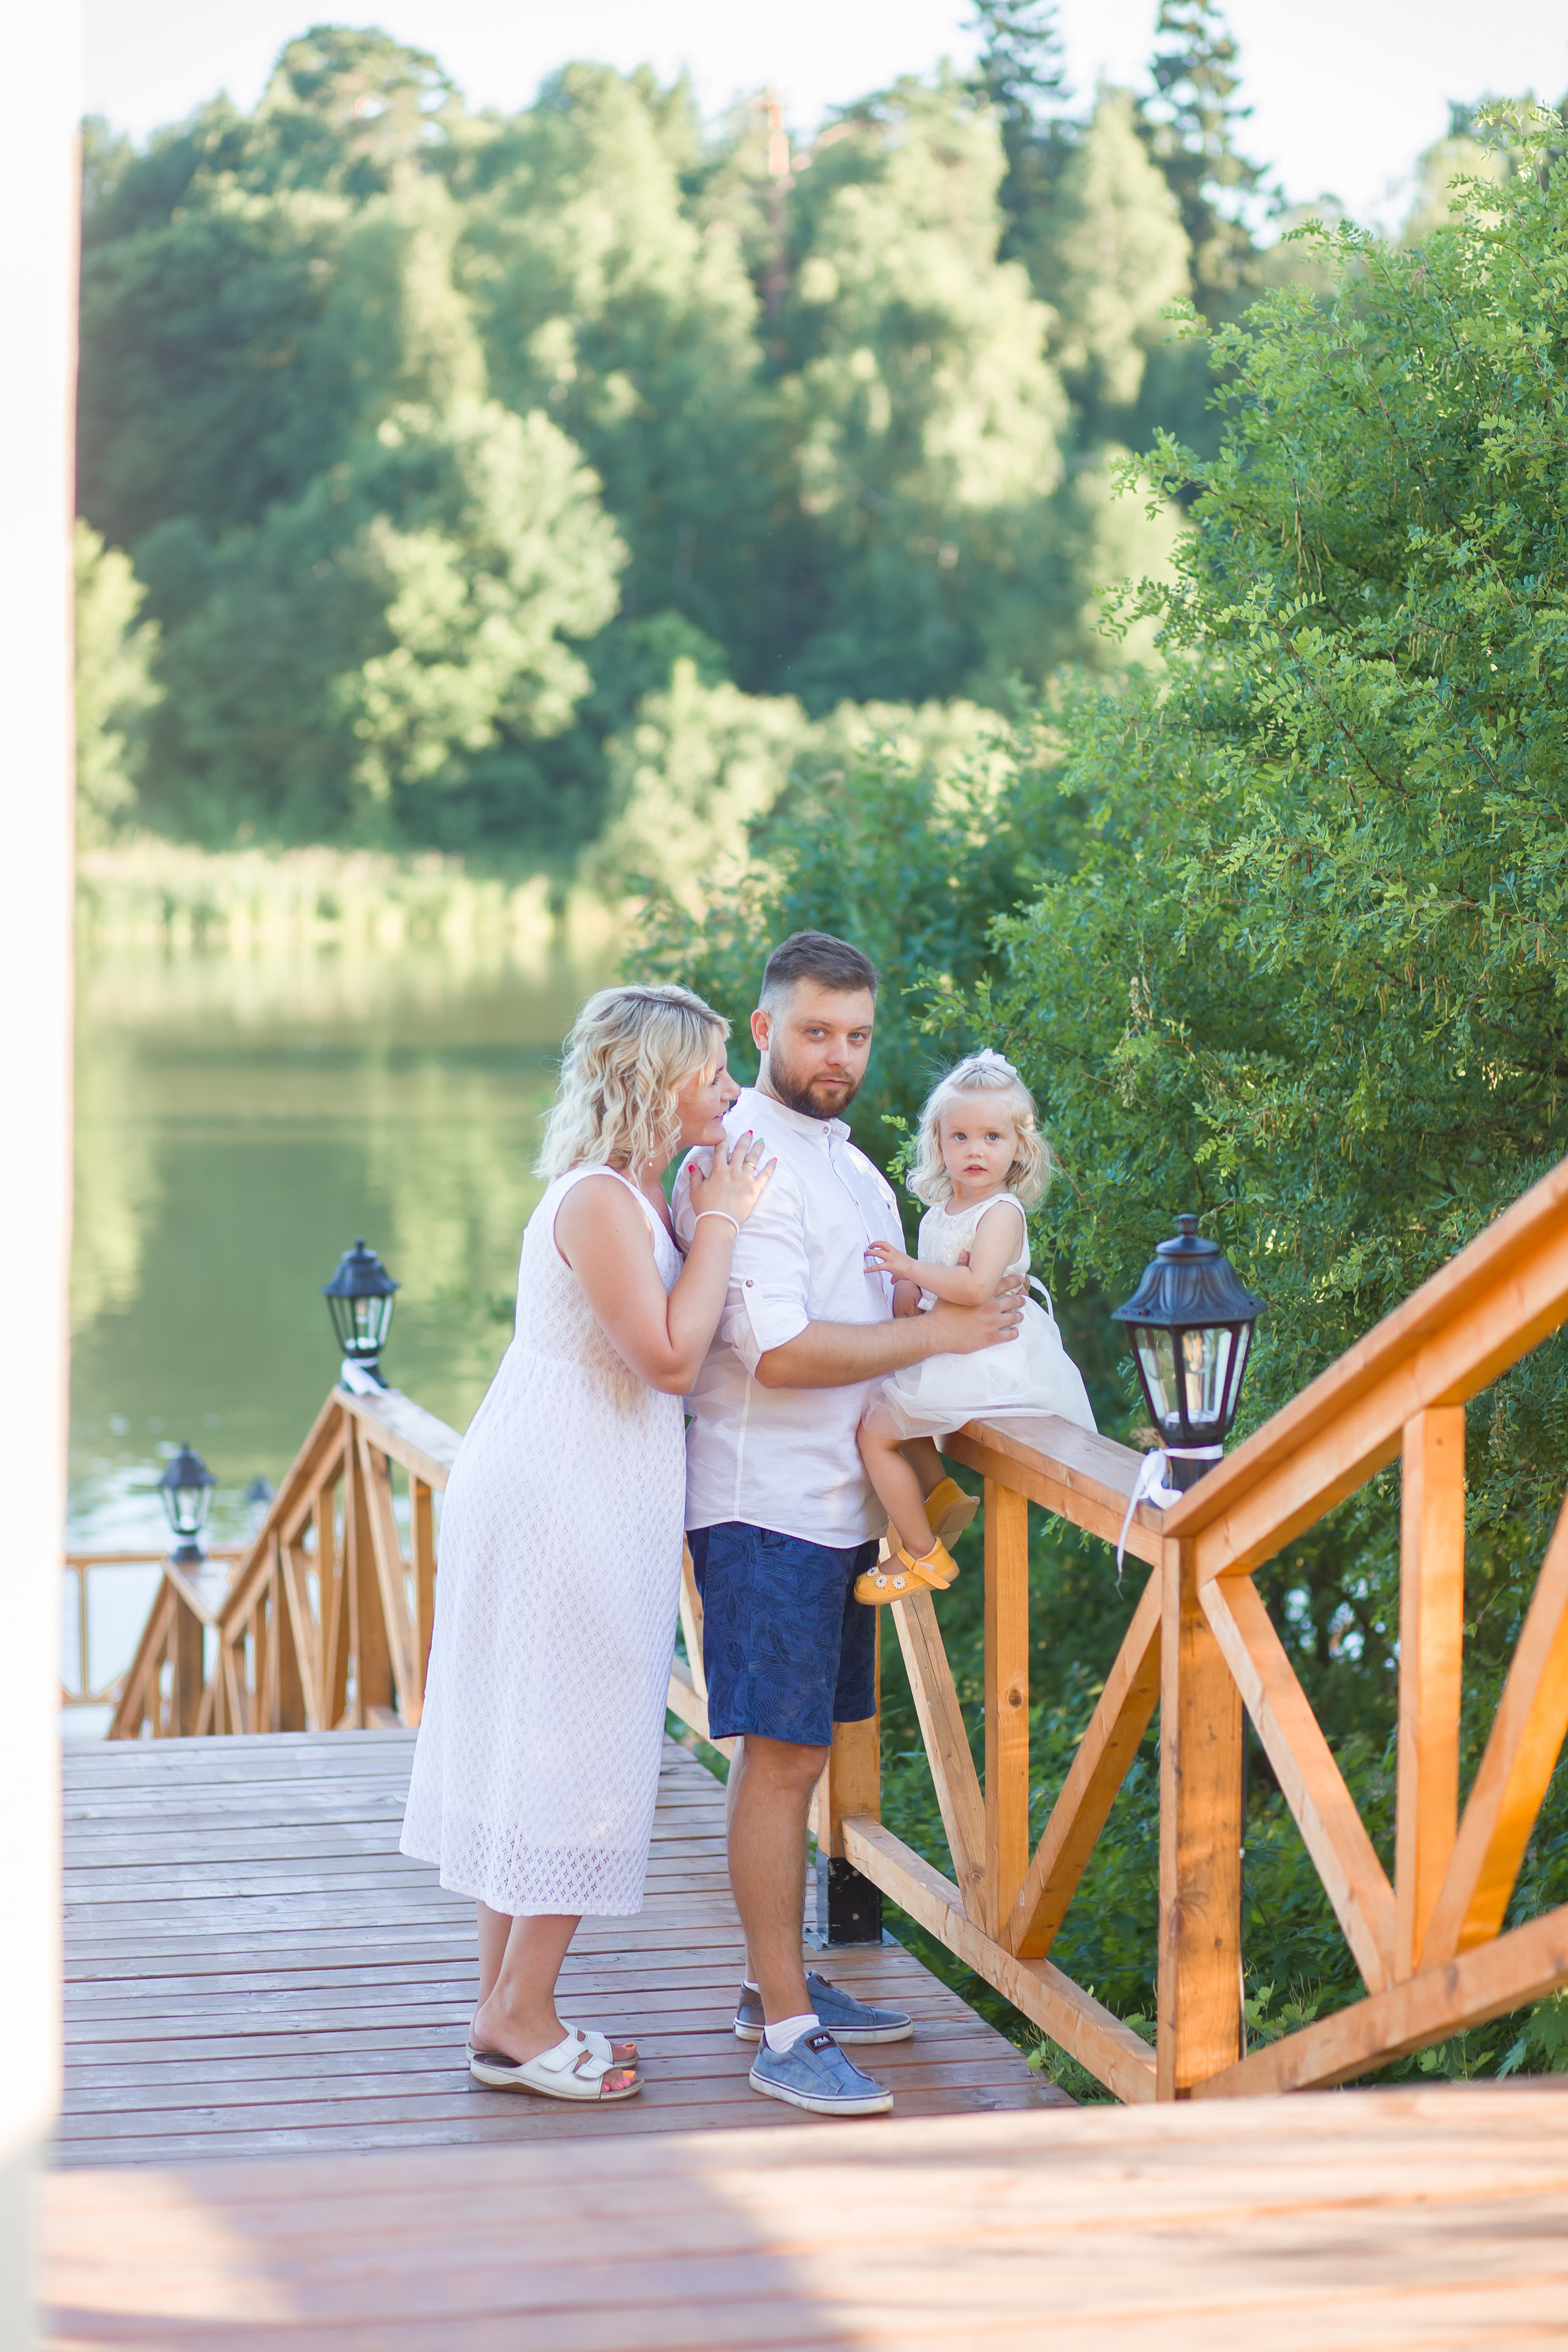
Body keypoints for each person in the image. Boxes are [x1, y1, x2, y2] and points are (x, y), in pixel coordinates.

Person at [400, 984, 773, 2103]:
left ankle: (501, 2015)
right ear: (659, 1083)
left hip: (581, 1475)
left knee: (540, 1735)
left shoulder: (633, 1190)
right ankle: (520, 2007)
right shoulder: (608, 1200)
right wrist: (722, 1223)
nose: (732, 1089)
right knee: (578, 1739)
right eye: (713, 1072)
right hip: (565, 1489)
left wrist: (702, 1216)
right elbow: (666, 1358)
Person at [673, 932, 1024, 2118]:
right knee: (777, 1767)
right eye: (815, 1031)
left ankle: (770, 1984)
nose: (839, 1055)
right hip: (760, 1506)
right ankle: (783, 2027)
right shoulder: (750, 1161)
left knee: (804, 1756)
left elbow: (895, 1305)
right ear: (762, 1029)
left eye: (857, 1035)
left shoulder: (851, 1163)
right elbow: (775, 1353)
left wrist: (978, 1306)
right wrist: (941, 1334)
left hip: (835, 1507)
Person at [854, 1049, 1096, 1602]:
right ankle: (939, 1495)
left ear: (1018, 1149)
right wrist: (910, 1289)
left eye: (992, 1137)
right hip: (955, 1349)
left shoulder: (1002, 1213)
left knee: (874, 1433)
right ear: (938, 1142)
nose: (975, 1151)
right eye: (959, 1137)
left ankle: (922, 1554)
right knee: (886, 1404)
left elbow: (975, 1289)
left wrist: (913, 1270)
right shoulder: (941, 1211)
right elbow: (930, 1292)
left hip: (992, 1358)